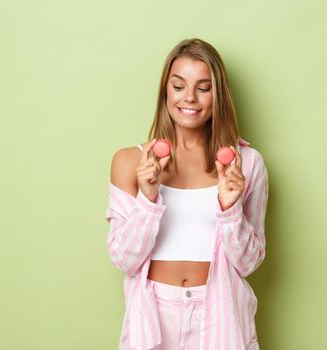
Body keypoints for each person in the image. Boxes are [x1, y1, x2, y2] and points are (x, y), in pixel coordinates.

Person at [105, 38, 269, 350]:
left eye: (203, 88)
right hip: (155, 314)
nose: (189, 98)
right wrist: (147, 199)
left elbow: (249, 262)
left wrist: (230, 208)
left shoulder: (246, 163)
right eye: (178, 86)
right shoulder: (129, 161)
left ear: (217, 94)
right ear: (165, 90)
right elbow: (124, 259)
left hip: (220, 313)